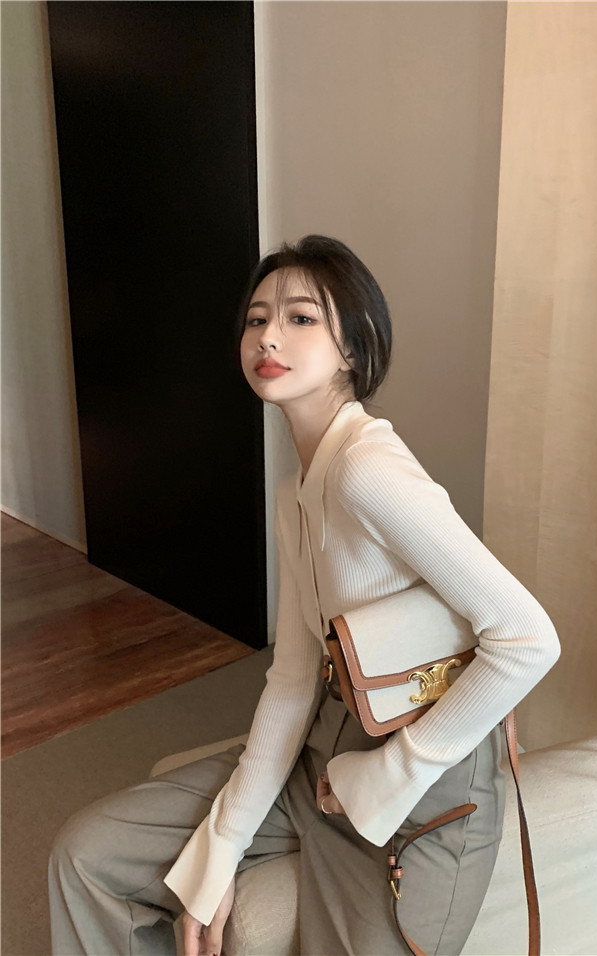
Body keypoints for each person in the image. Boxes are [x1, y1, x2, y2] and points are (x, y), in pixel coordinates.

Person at [48, 234, 560, 956]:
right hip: (322, 756)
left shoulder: (367, 469)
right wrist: (222, 845)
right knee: (86, 855)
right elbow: (293, 680)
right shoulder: (296, 491)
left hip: (424, 794)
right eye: (257, 319)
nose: (268, 336)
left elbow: (527, 637)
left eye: (300, 318)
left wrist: (390, 773)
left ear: (352, 348)